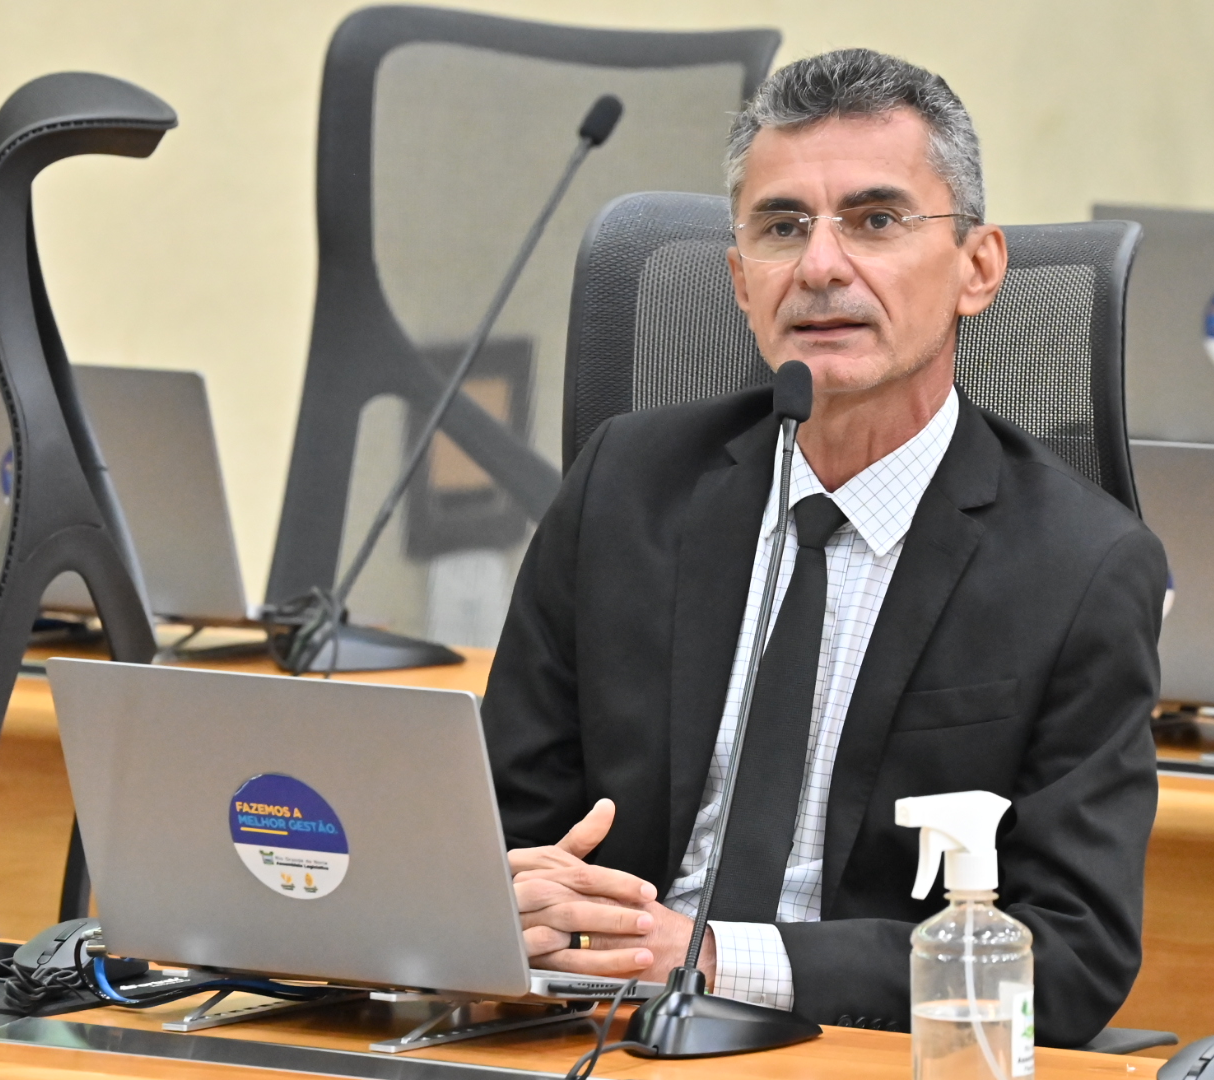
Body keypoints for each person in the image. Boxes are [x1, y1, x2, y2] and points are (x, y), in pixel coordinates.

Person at [480, 48, 1166, 1047]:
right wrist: (512, 898)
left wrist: (715, 960)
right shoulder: (623, 487)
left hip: (853, 1048)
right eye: (781, 227)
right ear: (740, 280)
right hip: (596, 1031)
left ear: (978, 268)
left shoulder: (1082, 566)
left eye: (876, 221)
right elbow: (498, 831)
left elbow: (1069, 956)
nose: (820, 267)